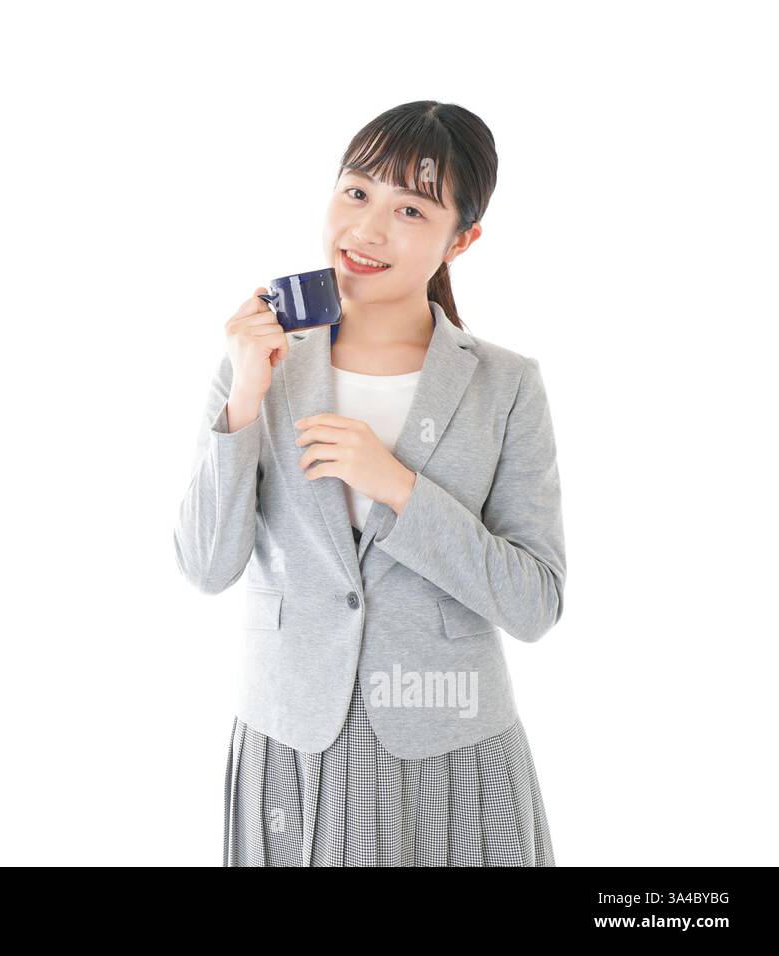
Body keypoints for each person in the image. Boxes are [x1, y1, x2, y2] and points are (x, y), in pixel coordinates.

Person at [173, 101, 565, 866]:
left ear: (463, 239)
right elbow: (205, 566)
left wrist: (399, 487)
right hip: (291, 749)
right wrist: (245, 400)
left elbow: (536, 602)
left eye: (410, 208)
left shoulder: (507, 385)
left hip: (452, 754)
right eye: (356, 193)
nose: (369, 228)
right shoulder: (258, 362)